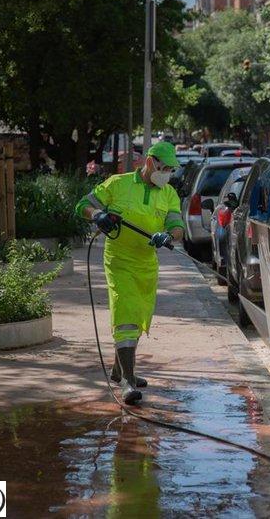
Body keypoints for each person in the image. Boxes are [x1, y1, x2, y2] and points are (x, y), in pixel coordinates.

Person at [75, 141, 184, 404]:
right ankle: (127, 381)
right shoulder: (118, 184)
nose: (167, 174)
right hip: (119, 260)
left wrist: (168, 236)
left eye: (171, 170)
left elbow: (177, 226)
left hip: (146, 264)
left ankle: (119, 370)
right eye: (164, 168)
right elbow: (83, 205)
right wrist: (98, 215)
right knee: (125, 315)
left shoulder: (168, 193)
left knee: (137, 316)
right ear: (150, 163)